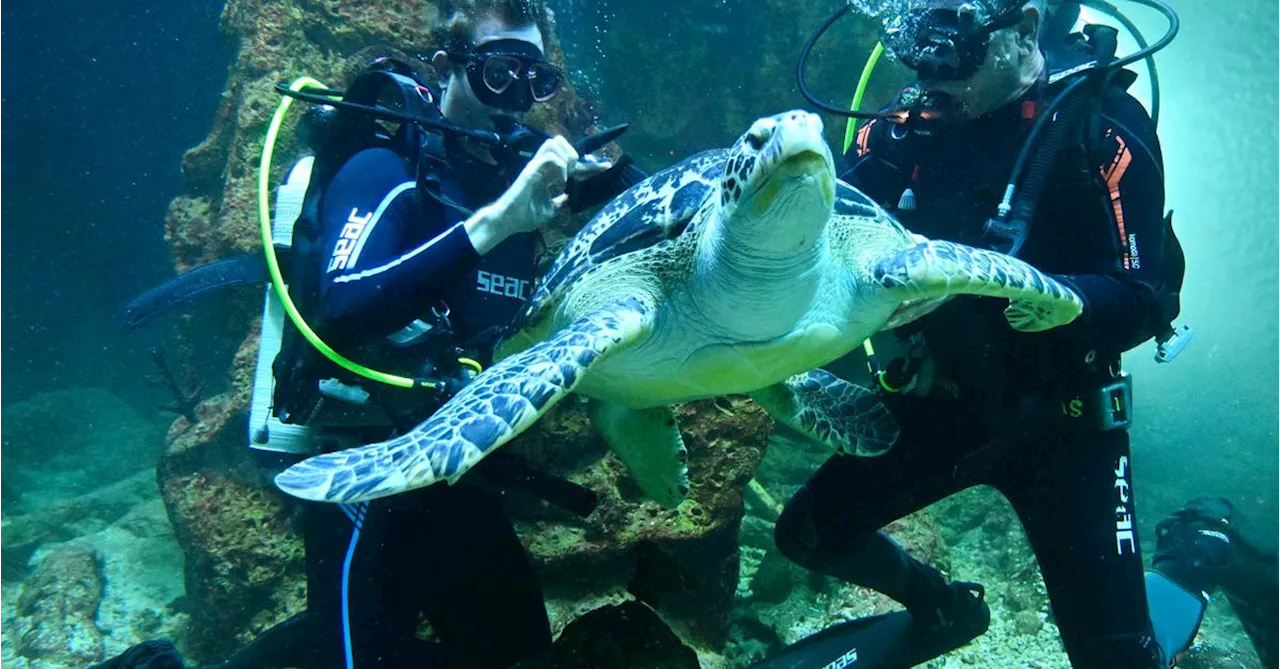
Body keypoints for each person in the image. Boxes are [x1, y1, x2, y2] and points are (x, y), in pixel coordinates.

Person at [97, 1, 642, 668]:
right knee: (359, 655)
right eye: (500, 72)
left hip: (455, 475)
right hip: (364, 477)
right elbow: (342, 305)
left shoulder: (518, 182)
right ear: (449, 66)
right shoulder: (387, 168)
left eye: (538, 80)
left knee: (524, 656)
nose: (517, 99)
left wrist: (614, 173)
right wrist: (498, 222)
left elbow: (656, 220)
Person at [762, 1, 1238, 667]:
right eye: (916, 50)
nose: (932, 75)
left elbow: (1142, 294)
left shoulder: (1103, 128)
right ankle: (940, 605)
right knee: (807, 535)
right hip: (941, 408)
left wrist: (1066, 303)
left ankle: (1191, 558)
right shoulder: (905, 127)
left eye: (953, 52)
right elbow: (807, 224)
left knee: (1120, 659)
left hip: (1069, 428)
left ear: (1022, 31)